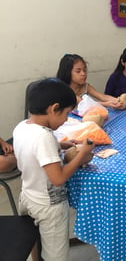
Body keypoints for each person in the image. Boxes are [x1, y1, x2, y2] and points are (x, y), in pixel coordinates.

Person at [13, 78, 95, 260]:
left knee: (32, 240)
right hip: (49, 207)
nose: (66, 120)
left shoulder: (22, 127)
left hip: (27, 197)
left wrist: (62, 145)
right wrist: (82, 154)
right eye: (66, 114)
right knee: (55, 255)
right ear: (54, 108)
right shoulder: (44, 138)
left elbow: (34, 152)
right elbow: (58, 178)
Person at [57, 54, 122, 109]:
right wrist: (106, 104)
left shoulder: (85, 86)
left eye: (84, 70)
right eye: (78, 71)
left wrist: (120, 101)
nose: (83, 74)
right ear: (67, 73)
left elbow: (102, 96)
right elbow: (84, 103)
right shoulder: (65, 90)